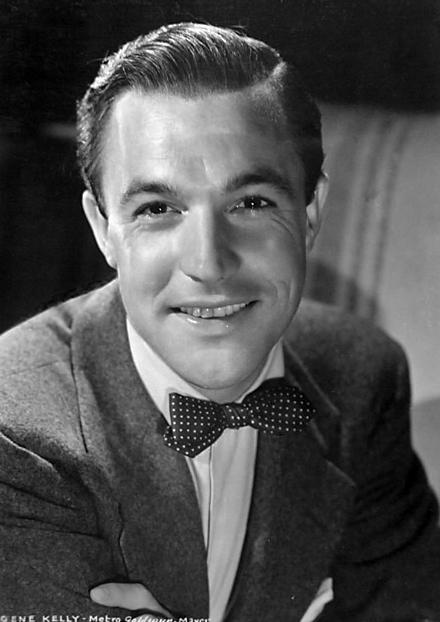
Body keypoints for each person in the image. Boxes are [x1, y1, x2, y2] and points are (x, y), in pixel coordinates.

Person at [1, 22, 439, 622]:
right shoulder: (14, 433)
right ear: (104, 229)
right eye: (157, 209)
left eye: (251, 203)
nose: (209, 263)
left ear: (310, 210)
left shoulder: (364, 374)